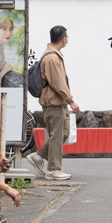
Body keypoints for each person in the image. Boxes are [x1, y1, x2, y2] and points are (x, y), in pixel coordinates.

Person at [26, 25, 78, 181]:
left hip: (57, 101)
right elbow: (58, 83)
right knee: (56, 135)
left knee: (64, 133)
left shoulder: (54, 55)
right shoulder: (51, 58)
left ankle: (39, 156)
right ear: (64, 39)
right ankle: (54, 169)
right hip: (53, 102)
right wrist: (71, 100)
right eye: (67, 37)